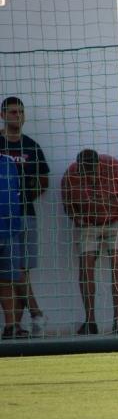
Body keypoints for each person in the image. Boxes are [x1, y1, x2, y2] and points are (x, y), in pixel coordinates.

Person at [62, 149, 118, 335]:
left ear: (98, 164)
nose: (89, 178)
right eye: (84, 173)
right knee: (86, 266)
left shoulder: (114, 167)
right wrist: (78, 218)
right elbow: (67, 204)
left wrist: (112, 204)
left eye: (91, 172)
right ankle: (90, 321)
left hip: (115, 220)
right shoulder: (70, 175)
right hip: (88, 223)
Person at [0, 96, 49, 336]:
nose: (16, 116)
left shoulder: (31, 146)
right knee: (7, 272)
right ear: (2, 116)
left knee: (21, 269)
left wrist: (26, 195)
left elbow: (43, 180)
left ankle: (16, 327)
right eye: (11, 112)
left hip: (26, 214)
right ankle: (25, 318)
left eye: (20, 112)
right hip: (2, 218)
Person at [0, 153, 25, 339]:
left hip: (9, 229)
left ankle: (10, 326)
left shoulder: (8, 162)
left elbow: (16, 191)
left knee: (7, 280)